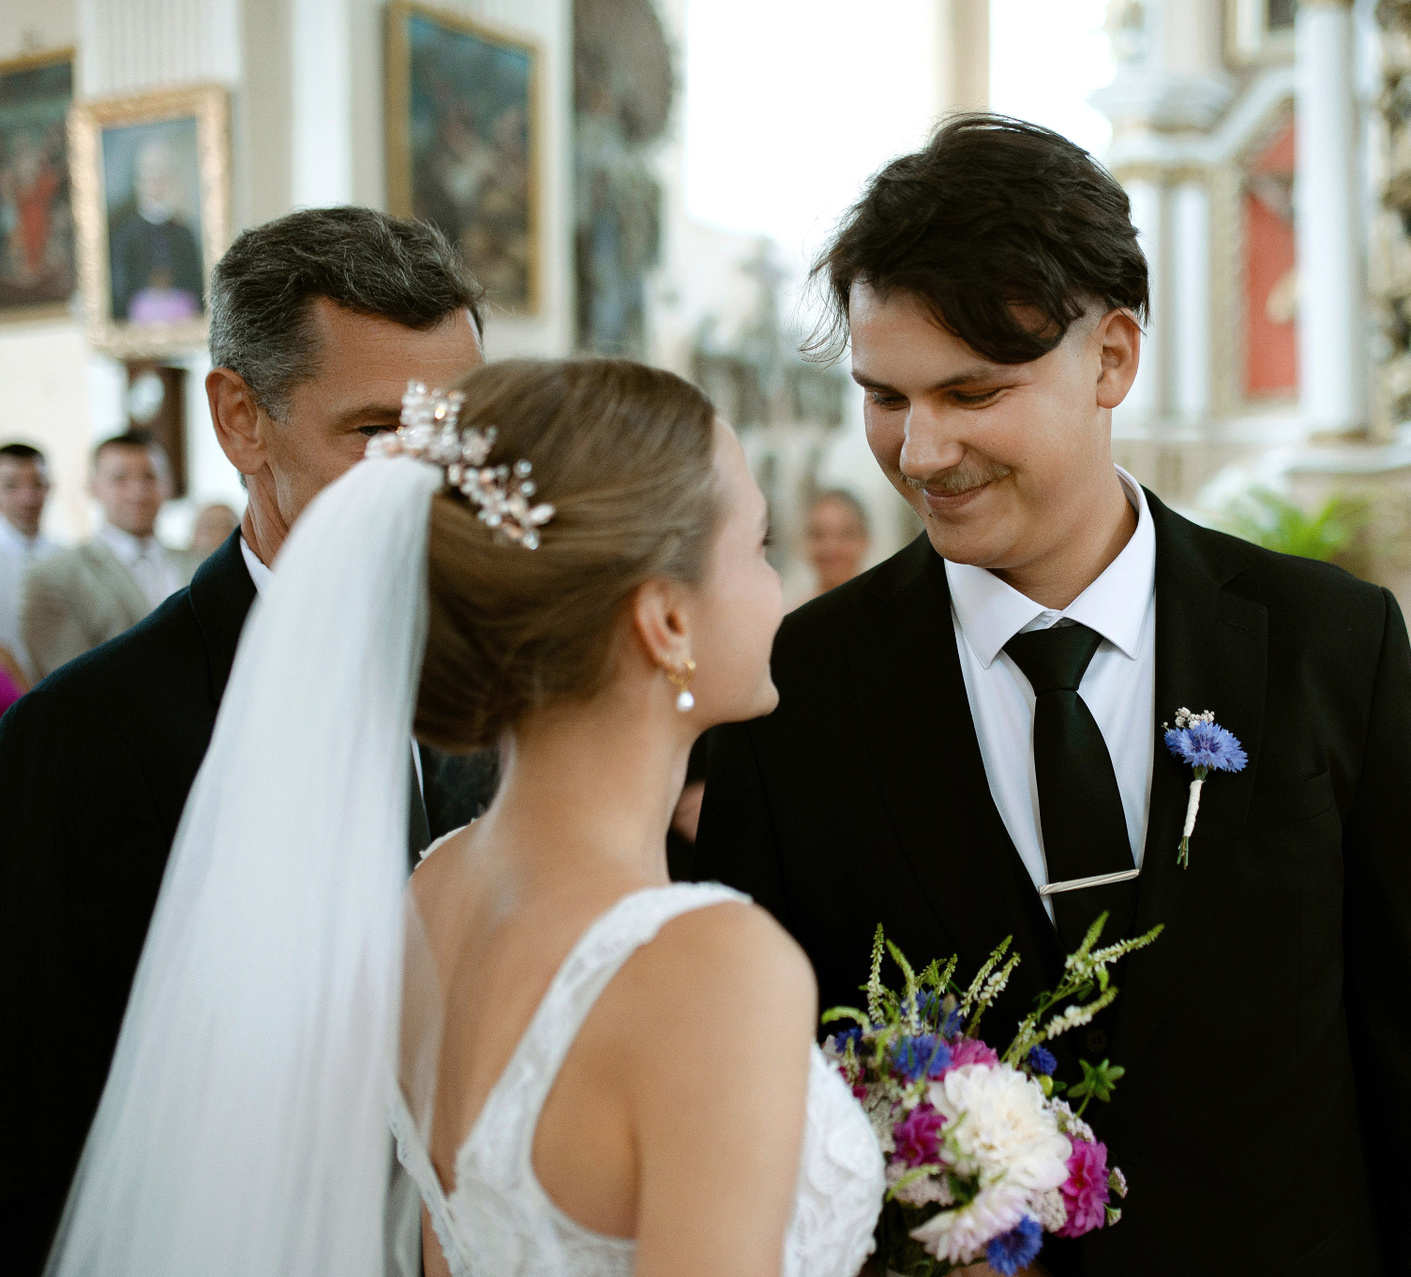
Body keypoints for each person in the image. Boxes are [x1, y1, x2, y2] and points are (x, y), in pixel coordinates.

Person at [697, 115, 1411, 1275]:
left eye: (971, 392)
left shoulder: (1331, 646)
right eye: (884, 396)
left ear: (1113, 359)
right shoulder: (796, 693)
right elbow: (758, 1100)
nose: (920, 451)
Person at [46, 359, 885, 1277]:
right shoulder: (717, 970)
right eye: (759, 547)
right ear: (666, 622)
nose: (778, 585)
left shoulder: (434, 892)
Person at [0, 207, 498, 1271]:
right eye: (376, 429)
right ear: (241, 419)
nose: (431, 476)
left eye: (456, 427)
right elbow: (38, 1132)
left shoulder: (506, 692)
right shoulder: (89, 737)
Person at [18, 432, 197, 680]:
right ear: (93, 487)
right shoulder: (54, 576)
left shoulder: (201, 564)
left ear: (168, 485)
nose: (138, 491)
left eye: (149, 476)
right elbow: (70, 679)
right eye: (120, 479)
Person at [107, 137, 203, 322]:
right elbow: (120, 288)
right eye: (150, 177)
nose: (156, 185)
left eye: (161, 177)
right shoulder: (125, 233)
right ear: (139, 182)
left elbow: (195, 285)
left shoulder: (183, 233)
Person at [0, 440, 55, 674]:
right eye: (11, 486)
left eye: (37, 484)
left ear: (49, 487)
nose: (27, 498)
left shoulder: (67, 559)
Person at [802, 488, 870, 599]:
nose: (830, 547)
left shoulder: (888, 607)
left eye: (844, 535)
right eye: (819, 535)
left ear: (864, 540)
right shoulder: (791, 609)